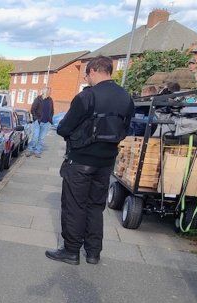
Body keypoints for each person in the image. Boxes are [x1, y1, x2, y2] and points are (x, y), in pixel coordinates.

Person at [46, 56, 134, 265]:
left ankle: (71, 251)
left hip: (81, 160)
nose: (87, 78)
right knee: (95, 206)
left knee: (75, 206)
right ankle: (93, 253)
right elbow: (126, 129)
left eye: (87, 74)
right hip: (106, 162)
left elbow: (64, 127)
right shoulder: (126, 97)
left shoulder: (87, 97)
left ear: (94, 70)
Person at [27, 87, 54, 157]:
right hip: (38, 122)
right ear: (45, 92)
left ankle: (37, 151)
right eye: (49, 92)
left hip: (46, 122)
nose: (50, 93)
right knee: (35, 137)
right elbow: (33, 110)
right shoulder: (38, 99)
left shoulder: (50, 100)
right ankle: (30, 150)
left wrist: (50, 118)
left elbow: (52, 111)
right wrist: (36, 119)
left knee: (41, 138)